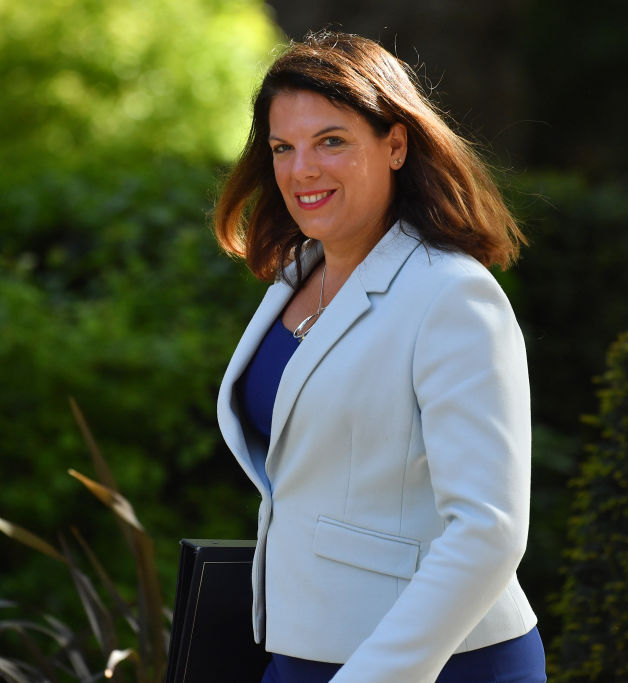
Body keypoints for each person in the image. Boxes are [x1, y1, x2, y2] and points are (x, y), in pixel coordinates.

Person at [213, 30, 545, 683]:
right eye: (284, 147)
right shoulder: (296, 273)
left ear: (395, 143)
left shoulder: (452, 295)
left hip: (432, 665)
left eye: (331, 140)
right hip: (302, 649)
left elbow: (489, 530)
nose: (301, 169)